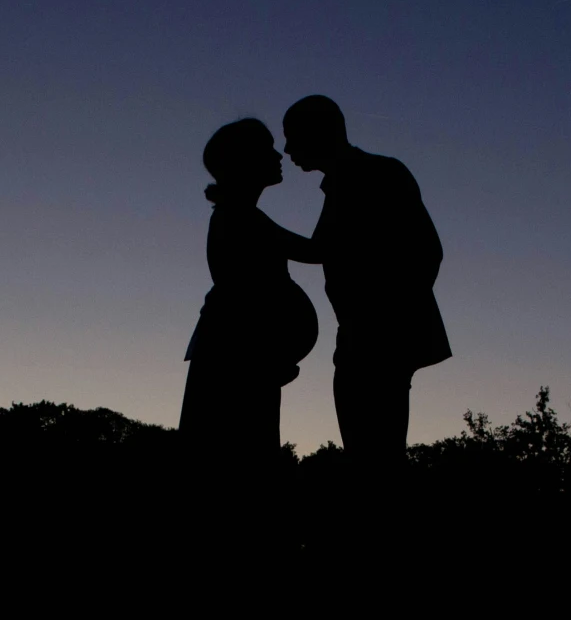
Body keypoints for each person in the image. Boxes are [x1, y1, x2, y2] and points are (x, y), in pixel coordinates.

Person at [281, 95, 450, 466]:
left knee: (375, 457)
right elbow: (323, 249)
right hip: (368, 337)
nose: (288, 149)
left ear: (320, 133)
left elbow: (427, 253)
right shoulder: (356, 177)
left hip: (378, 339)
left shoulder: (375, 174)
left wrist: (383, 319)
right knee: (373, 454)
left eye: (293, 137)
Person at [179, 118, 320, 470]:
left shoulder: (243, 216)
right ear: (245, 161)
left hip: (244, 359)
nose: (278, 155)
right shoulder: (241, 219)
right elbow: (318, 251)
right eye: (267, 149)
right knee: (239, 459)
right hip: (238, 362)